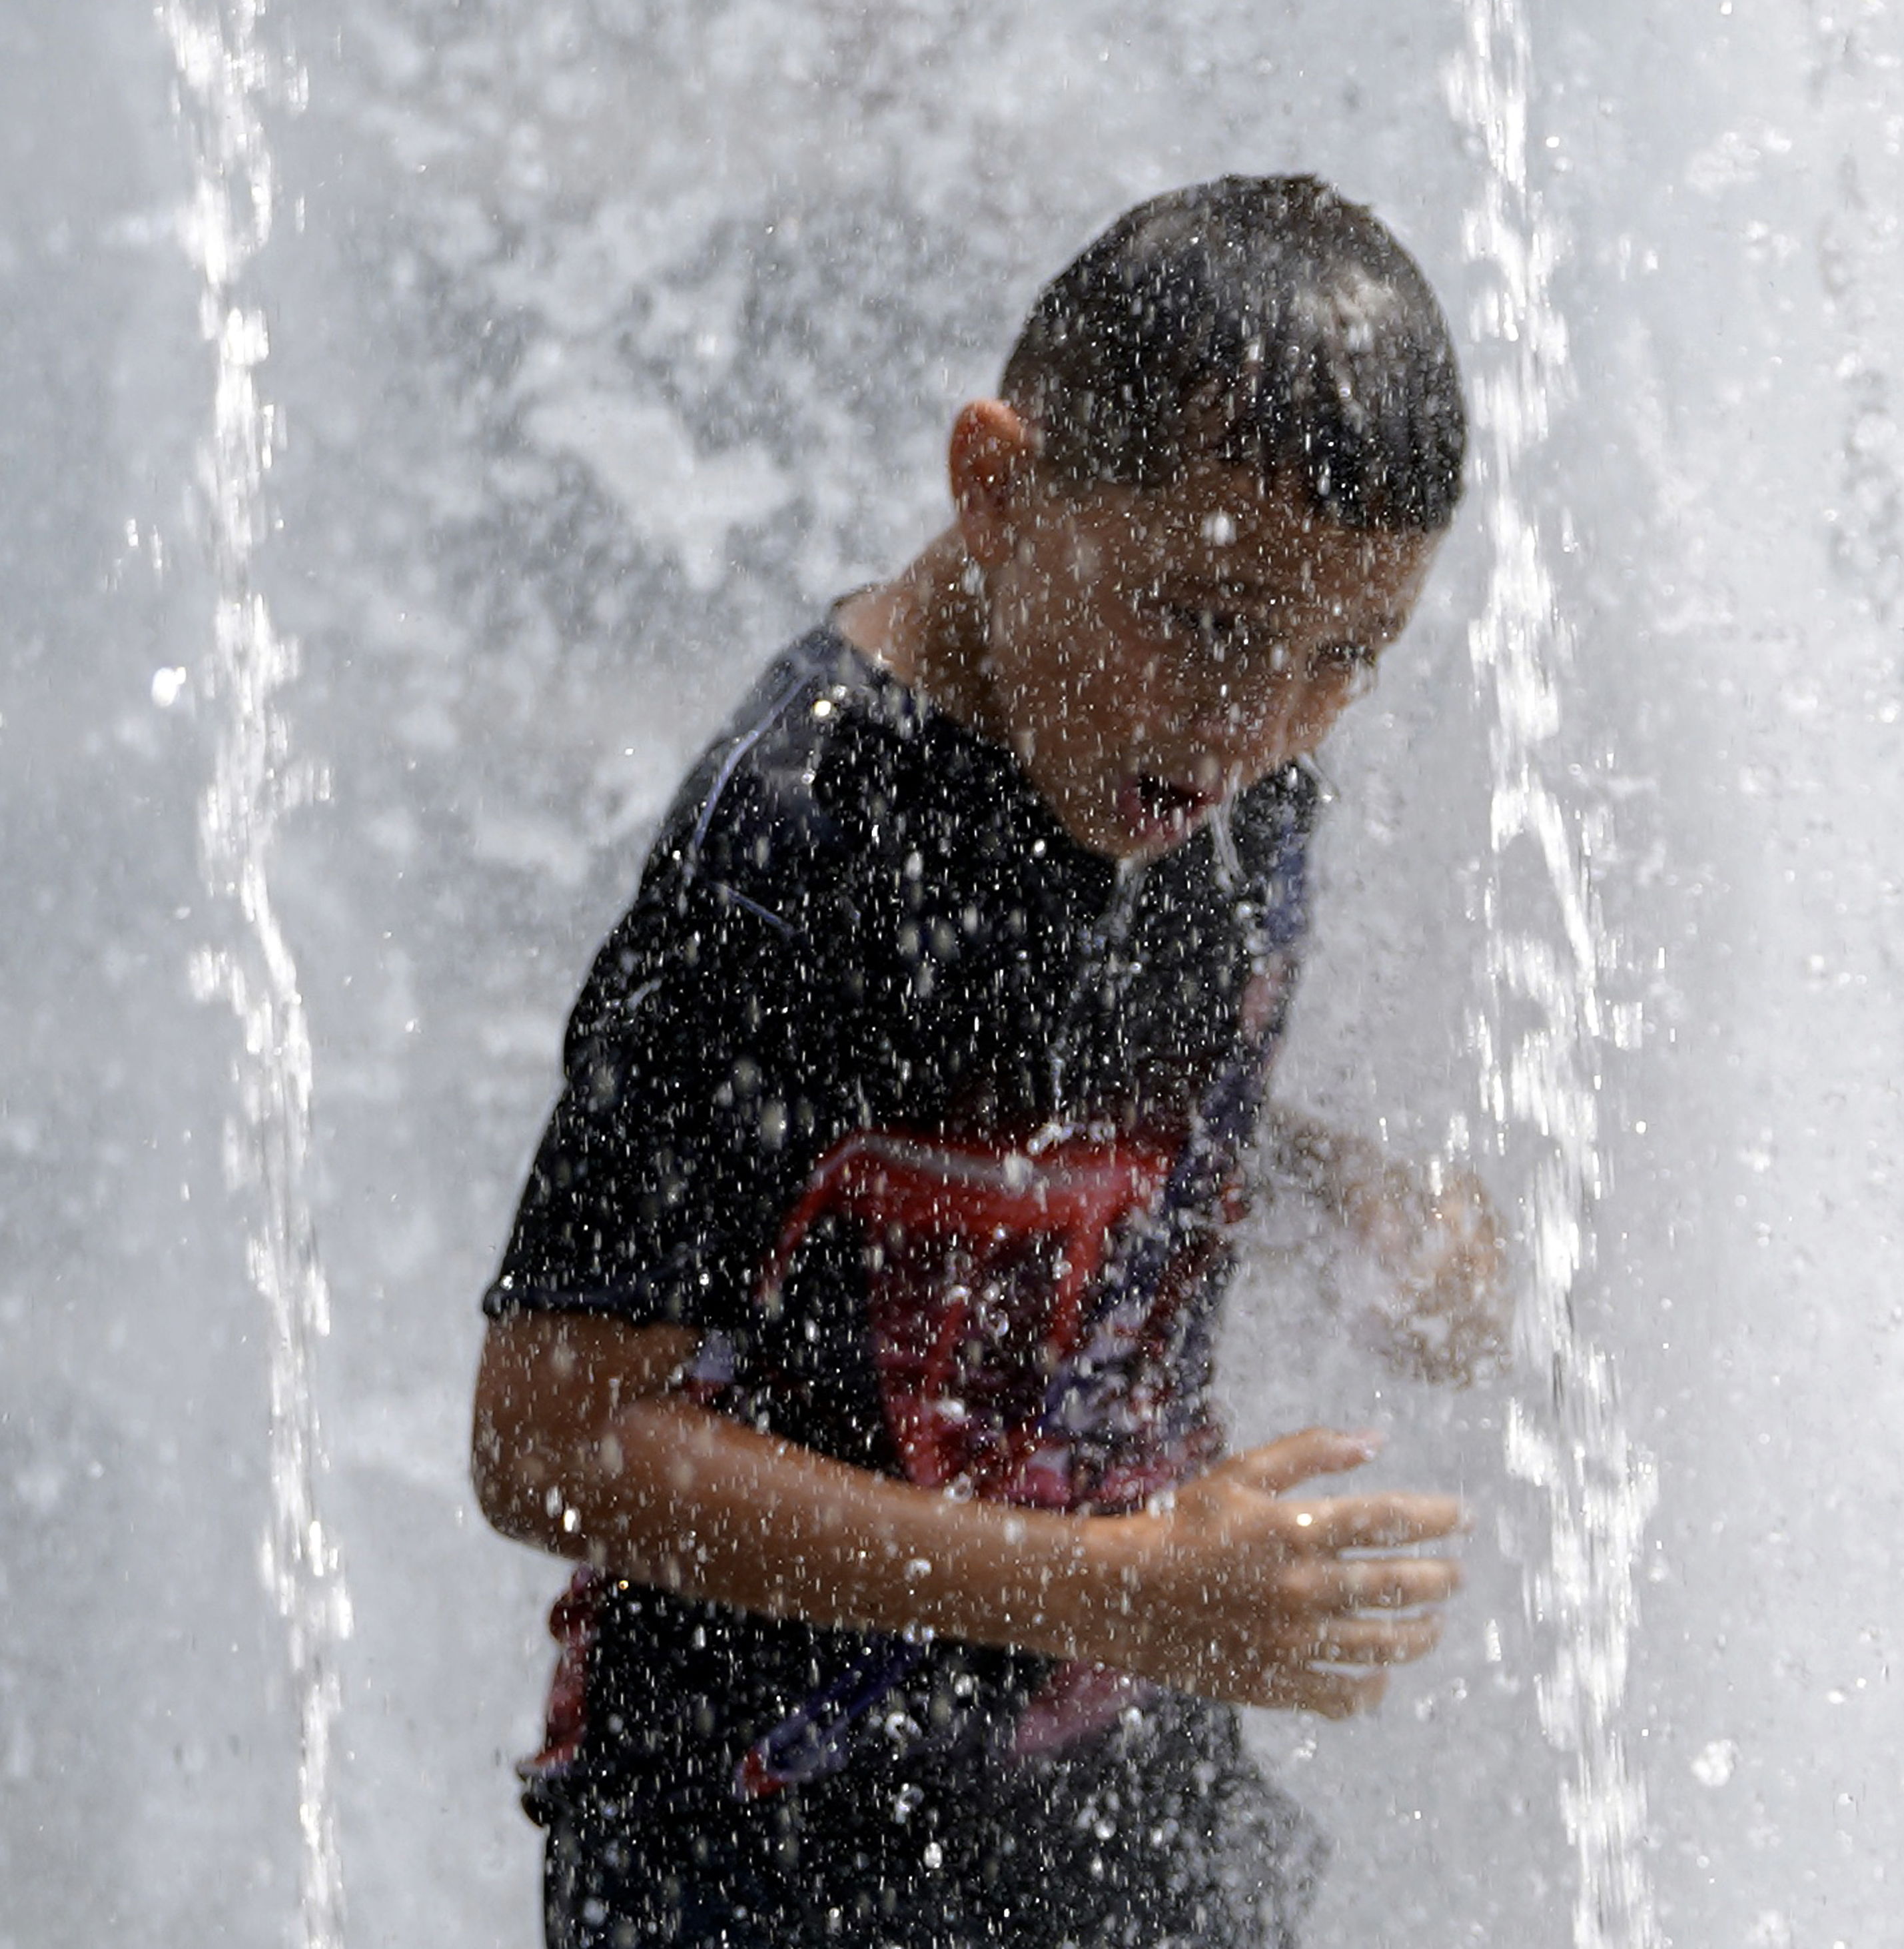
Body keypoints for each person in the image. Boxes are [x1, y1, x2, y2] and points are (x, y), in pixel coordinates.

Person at [469, 175, 1504, 1949]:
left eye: (1349, 658)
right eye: (1204, 620)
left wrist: (1347, 1196)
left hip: (1119, 1792)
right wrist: (1109, 1588)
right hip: (764, 1852)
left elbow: (1081, 1121)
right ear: (1000, 488)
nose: (1257, 721)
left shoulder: (1198, 761)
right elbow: (550, 1440)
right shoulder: (801, 849)